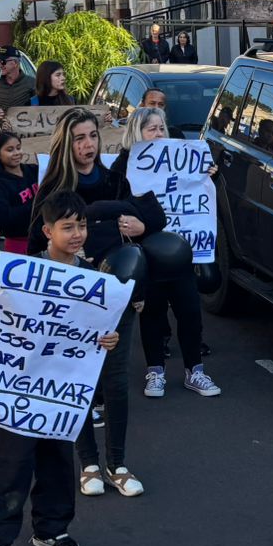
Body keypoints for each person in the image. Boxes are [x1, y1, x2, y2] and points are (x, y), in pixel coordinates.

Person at [0, 189, 120, 546]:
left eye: (82, 225)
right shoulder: (23, 273)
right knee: (14, 461)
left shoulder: (93, 278)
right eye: (67, 227)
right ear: (47, 230)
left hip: (62, 390)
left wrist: (109, 339)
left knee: (58, 458)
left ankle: (51, 529)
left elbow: (99, 333)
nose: (77, 234)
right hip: (20, 387)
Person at [28, 109, 167, 498]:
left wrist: (139, 224)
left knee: (117, 378)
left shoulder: (114, 176)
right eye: (79, 138)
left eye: (92, 136)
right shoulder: (53, 185)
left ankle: (118, 464)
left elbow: (151, 214)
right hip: (73, 296)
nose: (88, 145)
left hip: (117, 294)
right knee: (80, 380)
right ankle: (88, 463)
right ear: (65, 143)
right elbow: (36, 242)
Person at [110, 107, 221, 400]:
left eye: (162, 128)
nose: (159, 134)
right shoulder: (124, 165)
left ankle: (194, 370)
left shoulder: (184, 158)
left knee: (189, 312)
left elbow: (204, 200)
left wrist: (209, 177)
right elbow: (115, 204)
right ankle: (155, 370)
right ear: (137, 133)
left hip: (182, 252)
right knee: (153, 314)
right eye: (151, 129)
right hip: (149, 255)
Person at [0, 130, 39, 257]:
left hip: (45, 239)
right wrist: (38, 206)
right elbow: (4, 218)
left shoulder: (34, 170)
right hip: (18, 245)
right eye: (10, 150)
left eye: (18, 148)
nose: (16, 153)